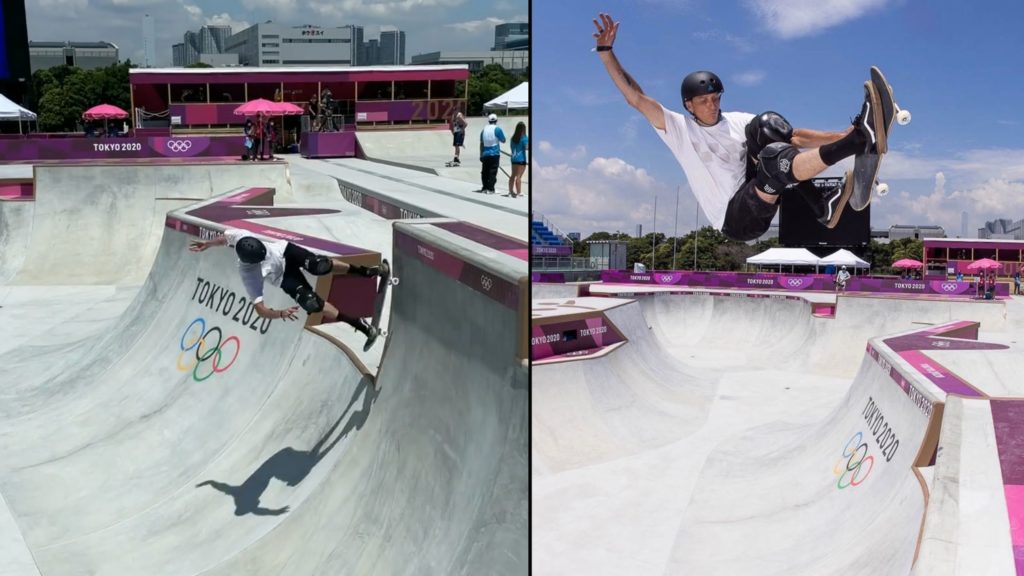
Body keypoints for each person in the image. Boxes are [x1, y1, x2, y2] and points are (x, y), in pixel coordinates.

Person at [592, 13, 885, 242]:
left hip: (753, 190)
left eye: (715, 98)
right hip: (735, 221)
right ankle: (859, 141)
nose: (712, 105)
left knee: (769, 126)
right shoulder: (678, 129)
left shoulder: (735, 120)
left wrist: (838, 134)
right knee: (775, 162)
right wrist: (606, 52)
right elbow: (636, 98)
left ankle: (824, 204)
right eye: (704, 101)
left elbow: (794, 136)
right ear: (689, 105)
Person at [188, 229, 383, 351]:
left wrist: (208, 244)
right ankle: (360, 325)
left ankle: (367, 271)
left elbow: (224, 238)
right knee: (312, 304)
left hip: (286, 251)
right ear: (252, 262)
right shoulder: (249, 274)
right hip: (284, 277)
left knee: (319, 265)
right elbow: (260, 310)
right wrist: (280, 313)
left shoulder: (240, 236)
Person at [479, 113, 506, 194]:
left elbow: (481, 142)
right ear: (496, 121)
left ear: (489, 121)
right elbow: (503, 140)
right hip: (495, 153)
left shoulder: (484, 130)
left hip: (485, 153)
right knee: (492, 171)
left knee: (485, 172)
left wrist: (481, 154)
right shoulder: (497, 129)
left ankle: (484, 187)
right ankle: (491, 189)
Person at [508, 121, 529, 198]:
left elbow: (512, 148)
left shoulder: (512, 138)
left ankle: (510, 192)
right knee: (519, 177)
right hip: (521, 159)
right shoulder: (525, 138)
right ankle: (519, 192)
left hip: (514, 158)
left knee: (513, 175)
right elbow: (527, 148)